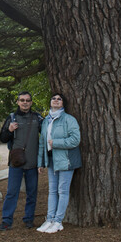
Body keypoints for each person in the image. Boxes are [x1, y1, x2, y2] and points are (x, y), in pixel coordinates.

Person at [0, 91, 43, 230]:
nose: (25, 102)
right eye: (22, 100)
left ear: (31, 102)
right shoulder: (11, 118)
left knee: (32, 192)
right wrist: (9, 130)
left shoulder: (37, 118)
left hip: (32, 163)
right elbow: (2, 138)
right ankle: (6, 220)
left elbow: (47, 135)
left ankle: (29, 219)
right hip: (16, 162)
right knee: (12, 192)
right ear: (18, 102)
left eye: (28, 100)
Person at [36, 93, 81, 233]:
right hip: (51, 160)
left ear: (63, 103)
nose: (56, 101)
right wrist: (40, 163)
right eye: (53, 98)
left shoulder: (69, 119)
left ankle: (58, 221)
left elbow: (75, 139)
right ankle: (49, 219)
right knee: (52, 191)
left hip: (66, 160)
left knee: (62, 191)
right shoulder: (46, 121)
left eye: (59, 99)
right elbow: (42, 143)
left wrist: (56, 143)